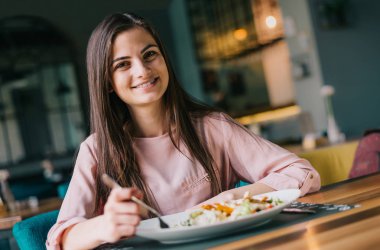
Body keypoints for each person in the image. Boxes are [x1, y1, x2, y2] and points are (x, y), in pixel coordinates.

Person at [46, 12, 321, 249]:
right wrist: (105, 226)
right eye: (123, 65)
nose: (142, 70)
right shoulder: (96, 150)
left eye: (150, 54)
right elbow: (61, 239)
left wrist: (231, 198)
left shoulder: (213, 127)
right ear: (107, 82)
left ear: (165, 60)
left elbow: (302, 173)